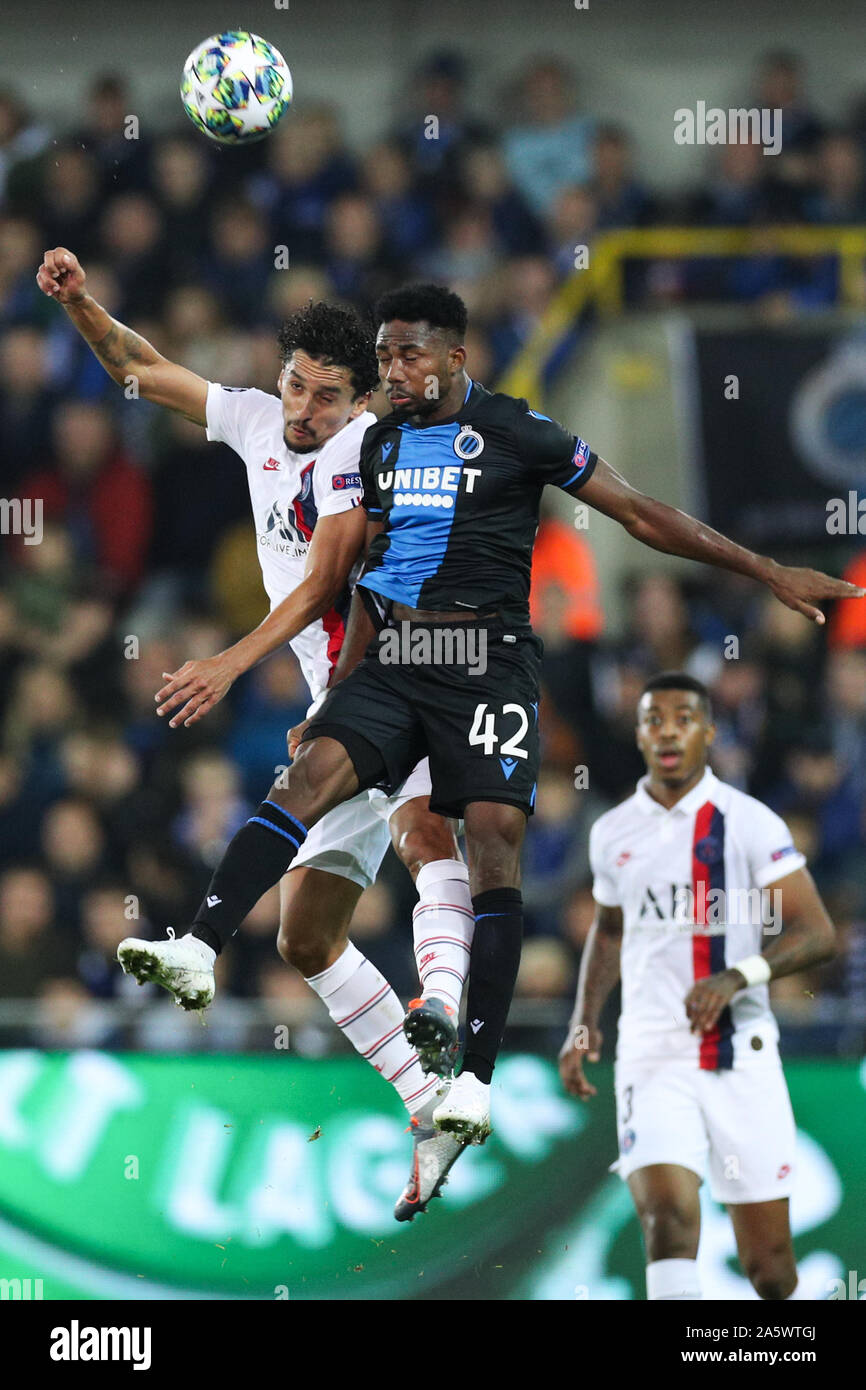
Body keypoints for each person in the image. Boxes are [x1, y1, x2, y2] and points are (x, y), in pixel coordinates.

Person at [84, 279, 859, 1149]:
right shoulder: (371, 445)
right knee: (308, 900)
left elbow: (639, 512)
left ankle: (463, 1056)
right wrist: (338, 691)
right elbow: (358, 581)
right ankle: (250, 974)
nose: (390, 371)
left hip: (484, 661)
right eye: (381, 358)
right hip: (393, 660)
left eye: (402, 356)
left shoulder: (516, 432)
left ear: (456, 356)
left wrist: (766, 570)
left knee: (473, 841)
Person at [36, 249, 475, 1222]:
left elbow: (324, 583)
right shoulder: (251, 419)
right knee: (307, 935)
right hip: (333, 703)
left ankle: (441, 1008)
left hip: (402, 679)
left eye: (324, 395)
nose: (302, 410)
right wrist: (80, 303)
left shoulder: (367, 451)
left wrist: (230, 661)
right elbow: (135, 368)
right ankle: (427, 1099)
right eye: (293, 384)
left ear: (358, 400)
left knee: (424, 834)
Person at [558, 672, 838, 1301]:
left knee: (770, 1269)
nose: (667, 731)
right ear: (639, 734)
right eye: (654, 718)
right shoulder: (612, 832)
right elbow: (608, 933)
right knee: (667, 1221)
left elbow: (818, 932)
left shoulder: (748, 822)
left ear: (708, 732)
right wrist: (584, 1024)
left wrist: (739, 975)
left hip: (739, 1049)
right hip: (651, 1050)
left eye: (683, 718)